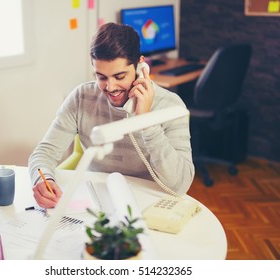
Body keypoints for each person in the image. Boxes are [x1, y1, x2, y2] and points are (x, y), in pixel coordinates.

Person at [28, 22, 194, 208]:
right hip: (94, 203)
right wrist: (42, 180)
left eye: (120, 76)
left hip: (148, 204)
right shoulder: (82, 98)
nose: (111, 87)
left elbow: (180, 184)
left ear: (141, 66)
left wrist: (147, 122)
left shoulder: (171, 105)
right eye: (101, 77)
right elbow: (44, 153)